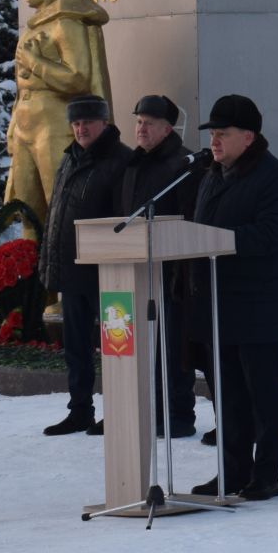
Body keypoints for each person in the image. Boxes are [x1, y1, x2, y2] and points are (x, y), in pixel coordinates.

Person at [186, 94, 278, 502]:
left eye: (223, 134)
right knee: (227, 395)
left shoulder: (274, 178)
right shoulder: (212, 175)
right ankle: (232, 472)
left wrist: (219, 241)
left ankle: (267, 474)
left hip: (256, 302)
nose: (214, 142)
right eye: (212, 134)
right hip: (215, 304)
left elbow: (273, 235)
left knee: (262, 394)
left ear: (248, 137)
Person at [38, 94, 130, 437]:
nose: (81, 129)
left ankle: (119, 410)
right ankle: (80, 410)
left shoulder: (121, 160)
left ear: (103, 123)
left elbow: (123, 215)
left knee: (116, 346)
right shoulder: (69, 158)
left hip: (107, 273)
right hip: (73, 271)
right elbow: (58, 213)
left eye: (87, 123)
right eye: (76, 124)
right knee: (76, 346)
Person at [115, 93, 201, 439]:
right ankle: (150, 410)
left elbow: (187, 218)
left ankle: (179, 415)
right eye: (138, 122)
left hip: (172, 273)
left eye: (148, 123)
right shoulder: (134, 164)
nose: (141, 129)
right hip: (136, 271)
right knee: (144, 348)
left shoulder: (182, 164)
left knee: (172, 349)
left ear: (167, 129)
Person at [6, 0, 111, 226]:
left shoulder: (66, 23)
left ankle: (65, 267)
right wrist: (13, 124)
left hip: (53, 122)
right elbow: (22, 86)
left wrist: (35, 63)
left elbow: (78, 78)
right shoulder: (35, 27)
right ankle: (30, 266)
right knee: (27, 210)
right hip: (25, 124)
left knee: (62, 205)